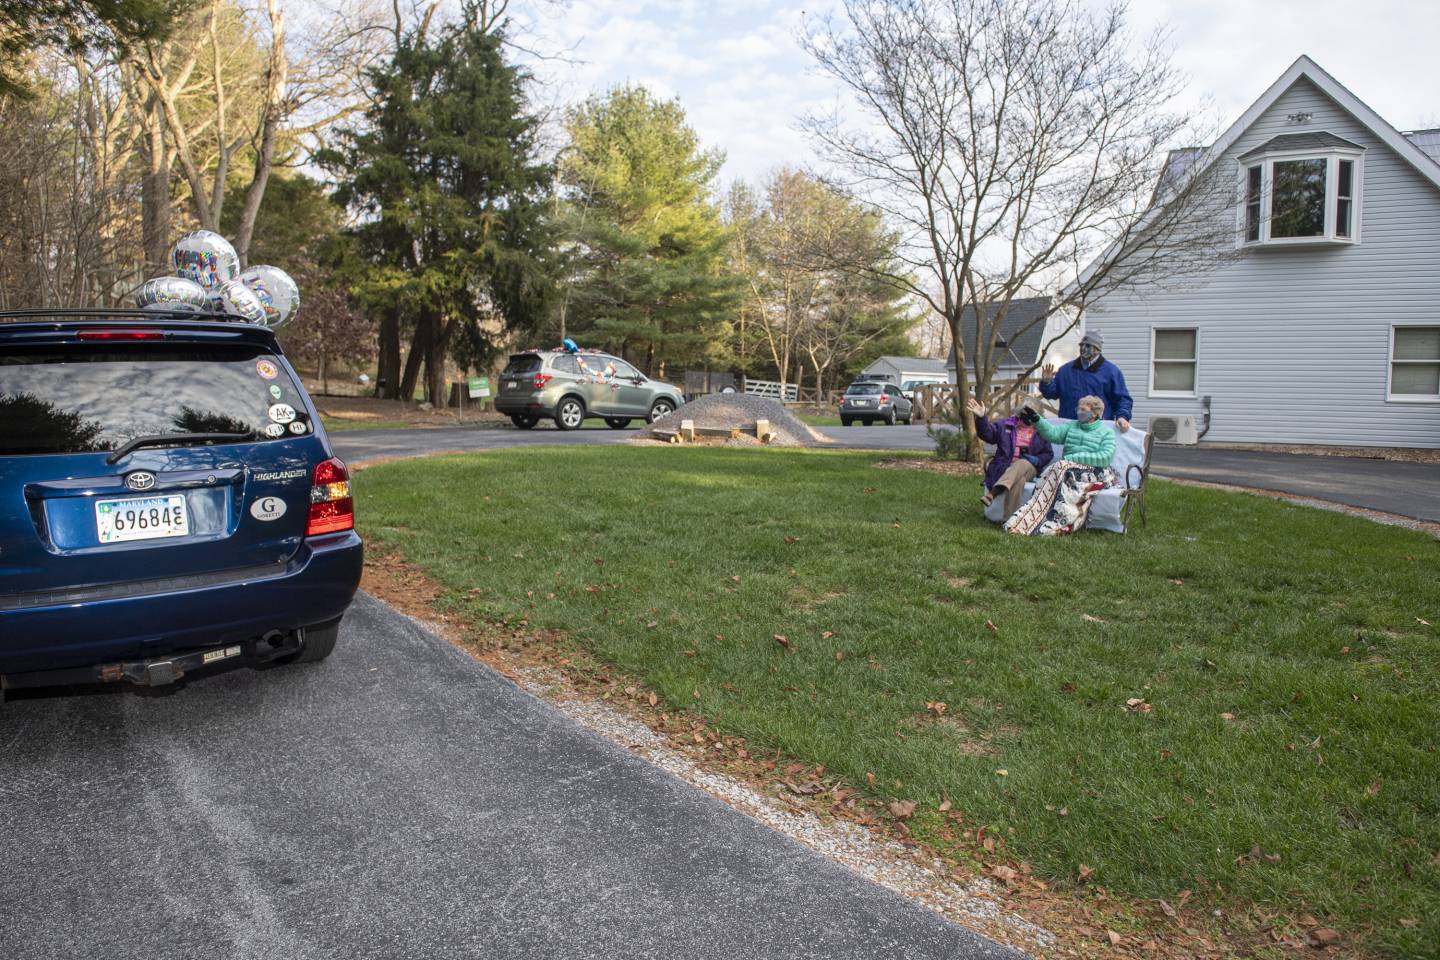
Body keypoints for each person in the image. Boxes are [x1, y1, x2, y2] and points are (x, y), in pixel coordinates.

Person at [1003, 395, 1118, 536]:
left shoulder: (1106, 432)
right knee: (1056, 469)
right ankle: (1026, 520)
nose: (1079, 412)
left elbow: (1105, 457)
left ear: (1095, 413)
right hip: (1067, 467)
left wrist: (1074, 459)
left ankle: (1057, 520)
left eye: (1083, 409)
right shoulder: (1072, 426)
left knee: (1060, 467)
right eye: (1078, 408)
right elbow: (1053, 434)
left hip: (1094, 470)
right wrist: (1038, 420)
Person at [966, 395, 1054, 519]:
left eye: (1031, 413)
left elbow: (1048, 454)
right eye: (1025, 411)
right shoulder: (1006, 425)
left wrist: (1037, 460)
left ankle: (994, 492)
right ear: (1020, 411)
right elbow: (988, 435)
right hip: (1005, 467)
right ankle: (1009, 521)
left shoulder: (1041, 431)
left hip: (1029, 469)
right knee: (1019, 481)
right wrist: (981, 418)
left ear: (1037, 415)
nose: (1027, 416)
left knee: (1022, 462)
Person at [1039, 329, 1133, 432]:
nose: (1083, 348)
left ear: (1097, 349)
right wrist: (1047, 382)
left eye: (1088, 346)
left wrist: (1122, 416)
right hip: (1069, 430)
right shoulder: (1065, 370)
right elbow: (1051, 394)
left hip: (1098, 431)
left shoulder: (1111, 372)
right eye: (1081, 345)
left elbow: (1122, 399)